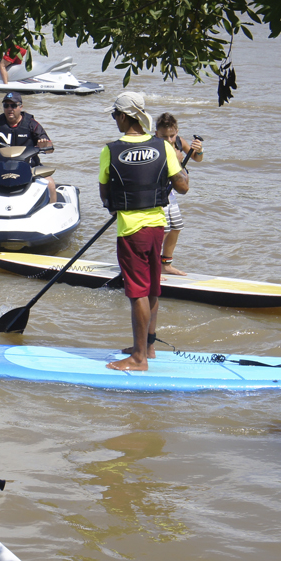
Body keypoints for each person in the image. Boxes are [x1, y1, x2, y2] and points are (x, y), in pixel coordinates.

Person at [99, 92, 189, 371]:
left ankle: (138, 359)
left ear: (125, 117)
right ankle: (147, 348)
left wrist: (118, 204)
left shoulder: (110, 150)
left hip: (130, 230)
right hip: (156, 227)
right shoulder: (162, 147)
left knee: (137, 292)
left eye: (115, 115)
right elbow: (183, 186)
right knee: (152, 288)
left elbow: (105, 195)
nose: (115, 120)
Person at [0, 92, 56, 203]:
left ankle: (53, 209)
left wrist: (44, 145)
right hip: (0, 170)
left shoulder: (32, 124)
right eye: (6, 106)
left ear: (20, 107)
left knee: (50, 183)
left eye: (13, 106)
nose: (10, 109)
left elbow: (49, 147)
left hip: (30, 169)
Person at [155, 113, 203, 276]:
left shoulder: (179, 141)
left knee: (176, 227)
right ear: (156, 134)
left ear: (176, 132)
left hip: (172, 194)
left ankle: (165, 265)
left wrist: (199, 150)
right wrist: (174, 159)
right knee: (163, 231)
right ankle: (151, 268)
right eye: (164, 136)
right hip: (158, 192)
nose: (169, 140)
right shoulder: (154, 145)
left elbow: (197, 158)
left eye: (171, 135)